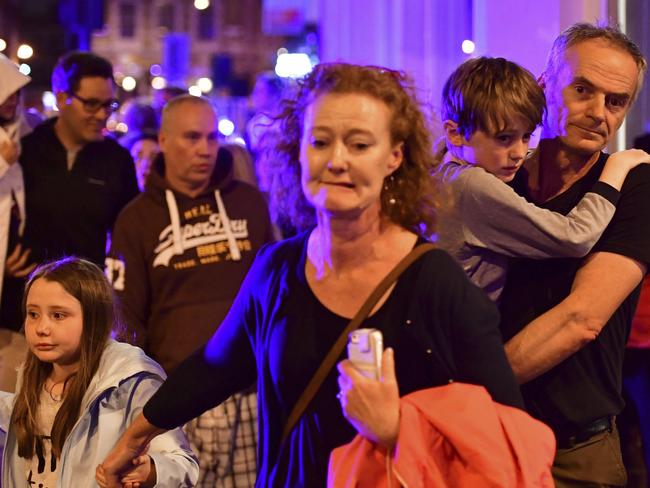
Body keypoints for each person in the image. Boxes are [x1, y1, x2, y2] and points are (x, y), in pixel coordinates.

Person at [98, 63, 525, 487]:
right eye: (320, 141)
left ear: (394, 156)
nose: (337, 160)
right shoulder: (278, 269)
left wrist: (397, 429)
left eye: (359, 145)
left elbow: (507, 439)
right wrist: (134, 437)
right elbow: (215, 366)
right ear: (298, 150)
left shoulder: (435, 282)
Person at [495, 23, 650, 487]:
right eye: (582, 89)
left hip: (575, 449)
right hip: (487, 434)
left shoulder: (635, 188)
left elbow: (582, 320)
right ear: (544, 84)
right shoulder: (499, 179)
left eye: (616, 101)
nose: (598, 112)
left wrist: (470, 383)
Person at [105, 94, 274, 486]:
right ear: (163, 141)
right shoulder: (137, 218)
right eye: (192, 137)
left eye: (212, 138)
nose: (205, 150)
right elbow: (125, 319)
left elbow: (272, 294)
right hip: (177, 396)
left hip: (249, 394)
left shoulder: (249, 203)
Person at [436, 56, 650, 301]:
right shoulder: (471, 184)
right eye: (504, 138)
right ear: (454, 133)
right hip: (460, 335)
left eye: (526, 136)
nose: (518, 153)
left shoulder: (443, 172)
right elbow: (574, 237)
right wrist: (617, 167)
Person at [0, 257, 198, 487]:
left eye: (58, 315)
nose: (41, 328)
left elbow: (182, 464)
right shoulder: (32, 374)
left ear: (93, 317)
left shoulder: (130, 379)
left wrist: (150, 472)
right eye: (33, 314)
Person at [19, 51, 139, 268]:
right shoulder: (26, 151)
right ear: (62, 99)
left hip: (89, 294)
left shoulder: (118, 160)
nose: (102, 115)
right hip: (28, 292)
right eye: (92, 104)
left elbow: (131, 234)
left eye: (108, 105)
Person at [0, 54, 34, 393]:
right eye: (4, 92)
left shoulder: (21, 136)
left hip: (13, 282)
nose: (12, 100)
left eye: (16, 93)